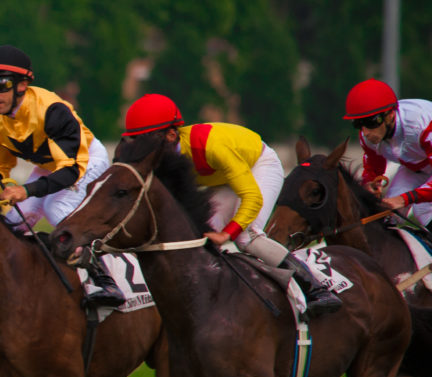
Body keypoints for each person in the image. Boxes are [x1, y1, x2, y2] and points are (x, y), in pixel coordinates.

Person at [122, 93, 342, 317]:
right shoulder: (162, 159)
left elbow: (252, 197)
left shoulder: (211, 147)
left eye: (147, 139)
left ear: (170, 135)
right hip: (224, 180)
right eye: (138, 140)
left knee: (246, 237)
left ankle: (314, 287)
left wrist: (228, 233)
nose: (142, 148)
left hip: (259, 165)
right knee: (201, 236)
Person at [0, 44, 124, 307]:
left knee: (56, 209)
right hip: (50, 166)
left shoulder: (52, 110)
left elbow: (69, 171)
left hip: (85, 159)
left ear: (22, 85)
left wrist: (26, 190)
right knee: (13, 222)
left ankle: (106, 281)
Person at [343, 79, 432, 229]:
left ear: (390, 115)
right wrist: (370, 182)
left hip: (423, 165)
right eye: (358, 124)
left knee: (422, 208)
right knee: (387, 211)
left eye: (371, 122)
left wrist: (405, 199)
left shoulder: (422, 125)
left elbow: (406, 199)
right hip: (416, 168)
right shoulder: (368, 137)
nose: (365, 132)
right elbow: (374, 165)